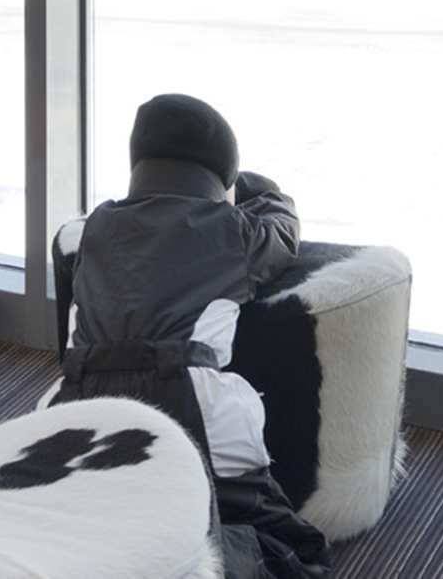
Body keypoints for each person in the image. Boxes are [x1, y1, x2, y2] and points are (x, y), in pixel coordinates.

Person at [52, 93, 333, 579]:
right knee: (289, 548)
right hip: (186, 401)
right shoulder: (232, 230)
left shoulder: (93, 227)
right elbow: (283, 232)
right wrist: (258, 189)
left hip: (74, 402)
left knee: (82, 522)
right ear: (220, 180)